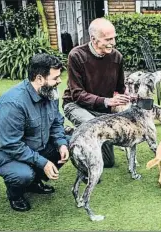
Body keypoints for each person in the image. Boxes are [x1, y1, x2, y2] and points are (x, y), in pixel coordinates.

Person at [0, 53, 69, 212]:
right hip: (0, 151)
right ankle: (15, 194)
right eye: (55, 78)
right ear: (40, 79)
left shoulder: (50, 93)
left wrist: (62, 144)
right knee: (23, 175)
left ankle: (33, 184)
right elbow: (11, 144)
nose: (60, 81)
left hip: (31, 145)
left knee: (68, 143)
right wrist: (43, 162)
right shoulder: (13, 103)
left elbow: (56, 122)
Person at [62, 18, 130, 168]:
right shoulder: (77, 56)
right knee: (91, 126)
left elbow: (120, 88)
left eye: (114, 38)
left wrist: (128, 97)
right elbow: (77, 94)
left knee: (108, 162)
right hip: (76, 105)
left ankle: (73, 132)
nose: (113, 43)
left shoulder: (117, 57)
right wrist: (106, 101)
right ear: (93, 39)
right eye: (108, 39)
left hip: (101, 110)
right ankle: (73, 138)